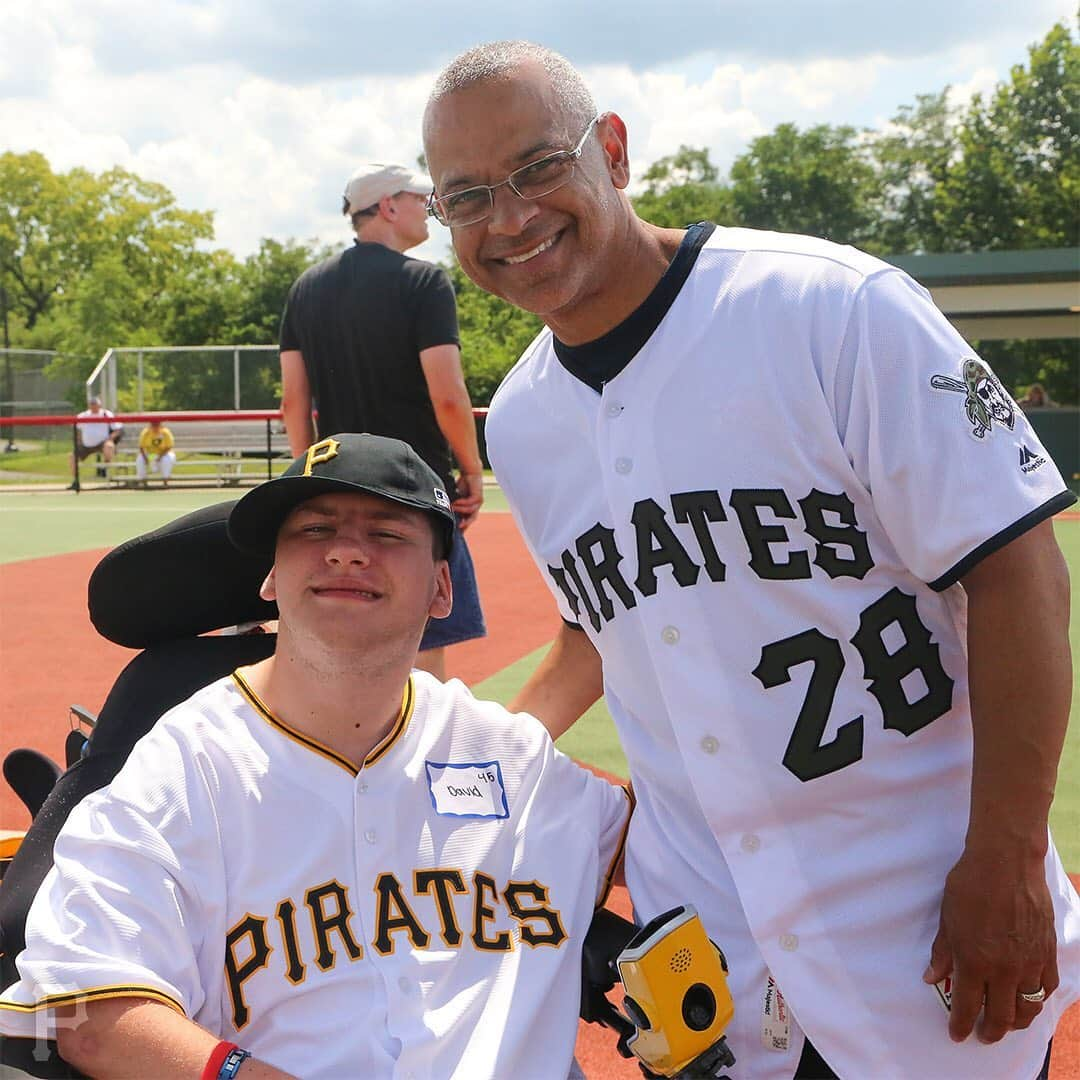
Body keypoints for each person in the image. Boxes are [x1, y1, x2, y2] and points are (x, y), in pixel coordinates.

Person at [422, 41, 1080, 1080]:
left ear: (614, 151)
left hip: (922, 913)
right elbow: (605, 625)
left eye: (538, 167)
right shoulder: (527, 424)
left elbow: (1018, 572)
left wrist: (1006, 853)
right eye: (465, 198)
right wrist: (468, 756)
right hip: (712, 957)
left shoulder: (829, 310)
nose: (508, 219)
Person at [0, 433, 631, 1080]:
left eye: (387, 533)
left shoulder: (512, 759)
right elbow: (88, 1008)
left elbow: (697, 841)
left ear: (443, 590)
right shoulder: (188, 762)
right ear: (271, 576)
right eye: (313, 528)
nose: (346, 551)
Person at [278, 163, 486, 681]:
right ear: (389, 207)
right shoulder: (423, 282)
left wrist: (308, 481)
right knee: (422, 660)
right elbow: (449, 396)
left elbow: (293, 403)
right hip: (413, 495)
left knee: (331, 647)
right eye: (420, 198)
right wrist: (472, 470)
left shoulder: (306, 288)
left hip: (332, 489)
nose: (428, 208)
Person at [68, 395, 123, 485]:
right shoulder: (83, 415)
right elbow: (77, 429)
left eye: (95, 404)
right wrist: (79, 440)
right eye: (91, 404)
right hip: (86, 445)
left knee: (109, 446)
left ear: (99, 405)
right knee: (72, 457)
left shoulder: (106, 414)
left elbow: (117, 429)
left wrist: (109, 438)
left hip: (102, 443)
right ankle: (76, 480)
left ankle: (104, 469)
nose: (93, 406)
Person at [135, 418, 176, 486]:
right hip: (151, 454)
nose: (155, 426)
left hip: (164, 454)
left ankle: (165, 481)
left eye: (157, 424)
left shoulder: (165, 432)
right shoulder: (146, 432)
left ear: (160, 424)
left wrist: (160, 457)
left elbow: (169, 447)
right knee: (140, 460)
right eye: (153, 424)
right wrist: (145, 458)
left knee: (166, 460)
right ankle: (143, 481)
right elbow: (141, 447)